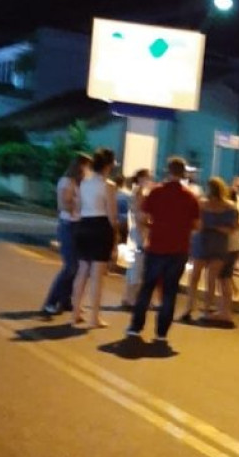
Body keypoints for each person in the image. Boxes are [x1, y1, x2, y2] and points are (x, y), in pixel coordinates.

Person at [126, 156, 201, 347]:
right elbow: (197, 225)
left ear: (168, 171)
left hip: (157, 246)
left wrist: (153, 225)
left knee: (147, 288)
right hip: (179, 249)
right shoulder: (191, 197)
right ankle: (161, 334)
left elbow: (143, 217)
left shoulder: (156, 192)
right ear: (183, 173)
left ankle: (136, 327)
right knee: (169, 291)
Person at [71, 147, 118, 328]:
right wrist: (116, 235)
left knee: (82, 270)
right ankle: (94, 318)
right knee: (97, 275)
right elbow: (112, 215)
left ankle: (75, 313)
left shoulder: (84, 183)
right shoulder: (108, 186)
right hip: (100, 227)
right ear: (109, 165)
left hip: (84, 225)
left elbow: (79, 207)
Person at [182, 177, 239, 324]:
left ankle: (190, 306)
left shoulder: (202, 205)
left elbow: (196, 224)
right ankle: (206, 308)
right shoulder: (230, 207)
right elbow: (230, 229)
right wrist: (217, 227)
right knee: (211, 278)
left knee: (195, 276)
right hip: (218, 243)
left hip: (202, 241)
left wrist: (207, 227)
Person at [41, 152, 89, 316]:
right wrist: (78, 204)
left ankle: (65, 300)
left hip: (79, 225)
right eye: (86, 166)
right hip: (68, 225)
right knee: (70, 266)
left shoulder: (80, 183)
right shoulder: (66, 182)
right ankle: (50, 302)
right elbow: (63, 205)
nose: (88, 170)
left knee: (77, 267)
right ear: (79, 166)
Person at [122, 168, 151, 309]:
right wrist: (145, 233)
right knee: (138, 265)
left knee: (134, 265)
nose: (149, 180)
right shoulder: (139, 193)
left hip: (136, 230)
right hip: (140, 231)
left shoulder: (136, 191)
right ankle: (132, 299)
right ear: (140, 178)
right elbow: (140, 215)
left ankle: (128, 297)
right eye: (147, 177)